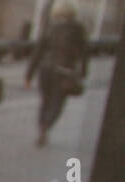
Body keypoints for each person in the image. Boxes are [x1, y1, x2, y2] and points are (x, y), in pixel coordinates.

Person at [26, 1, 89, 147]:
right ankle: (46, 126)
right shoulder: (78, 28)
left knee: (45, 101)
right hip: (64, 70)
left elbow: (38, 51)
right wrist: (84, 72)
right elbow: (84, 52)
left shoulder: (49, 27)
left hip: (45, 69)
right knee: (57, 103)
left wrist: (29, 74)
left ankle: (42, 127)